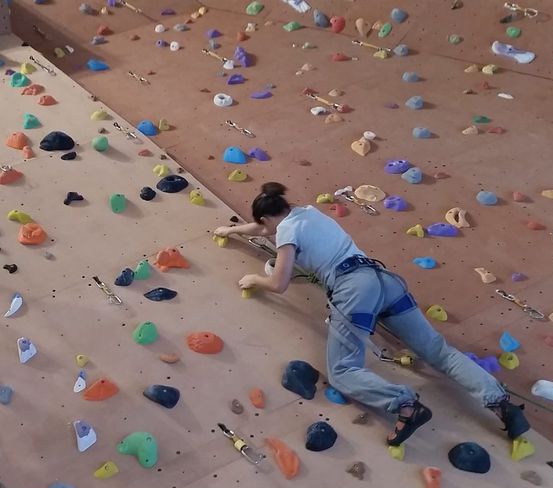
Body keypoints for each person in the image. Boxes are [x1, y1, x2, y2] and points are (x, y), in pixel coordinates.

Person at [214, 182, 530, 446]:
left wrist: (254, 279)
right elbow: (262, 226)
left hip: (354, 290)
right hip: (384, 280)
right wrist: (233, 231)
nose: (266, 232)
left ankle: (405, 405)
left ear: (271, 218)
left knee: (343, 370)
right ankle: (501, 404)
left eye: (266, 226)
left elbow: (279, 282)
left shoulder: (284, 231)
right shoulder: (307, 212)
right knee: (438, 351)